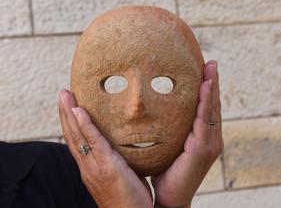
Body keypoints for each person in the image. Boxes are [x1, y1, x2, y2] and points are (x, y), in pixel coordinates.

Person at [0, 60, 222, 208]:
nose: (136, 108)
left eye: (164, 82)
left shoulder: (60, 171)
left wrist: (174, 205)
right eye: (112, 84)